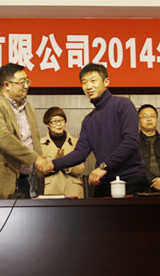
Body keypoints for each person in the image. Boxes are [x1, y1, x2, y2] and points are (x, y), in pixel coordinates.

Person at [47, 63, 147, 196]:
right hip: (103, 181)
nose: (88, 86)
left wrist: (104, 166)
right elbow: (80, 153)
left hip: (130, 180)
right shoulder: (88, 120)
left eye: (93, 81)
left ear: (106, 82)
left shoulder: (123, 105)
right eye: (84, 82)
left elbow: (130, 142)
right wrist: (52, 164)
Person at [0, 63, 50, 199]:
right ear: (7, 85)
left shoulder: (29, 108)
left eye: (27, 81)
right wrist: (35, 158)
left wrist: (42, 163)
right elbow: (3, 137)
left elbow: (33, 141)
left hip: (25, 180)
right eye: (21, 82)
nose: (26, 86)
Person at [40, 107, 84, 198]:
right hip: (50, 190)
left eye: (61, 120)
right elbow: (38, 172)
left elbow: (80, 169)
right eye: (55, 121)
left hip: (73, 189)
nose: (59, 124)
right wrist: (54, 163)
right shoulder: (40, 144)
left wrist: (64, 163)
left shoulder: (76, 142)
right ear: (47, 124)